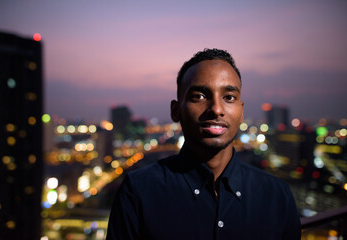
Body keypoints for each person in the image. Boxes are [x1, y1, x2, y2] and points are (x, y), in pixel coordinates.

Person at [106, 48, 301, 240]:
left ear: (241, 112)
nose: (216, 109)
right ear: (176, 110)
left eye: (229, 97)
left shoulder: (277, 196)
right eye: (199, 96)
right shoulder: (138, 191)